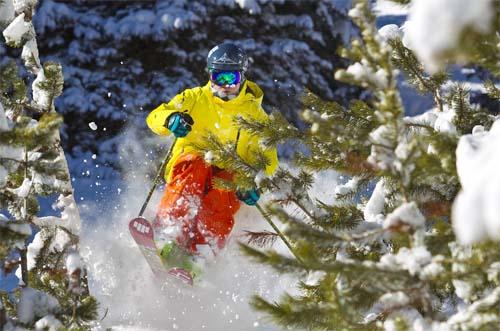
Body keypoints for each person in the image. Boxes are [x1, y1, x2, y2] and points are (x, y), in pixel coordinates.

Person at [146, 43, 279, 276]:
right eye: (220, 77)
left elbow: (268, 162)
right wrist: (170, 120)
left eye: (232, 77)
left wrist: (254, 182)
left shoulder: (256, 115)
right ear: (210, 75)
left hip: (230, 174)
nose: (226, 85)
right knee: (194, 166)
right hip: (191, 165)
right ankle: (168, 232)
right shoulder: (194, 99)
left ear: (242, 77)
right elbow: (155, 116)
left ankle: (201, 253)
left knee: (223, 192)